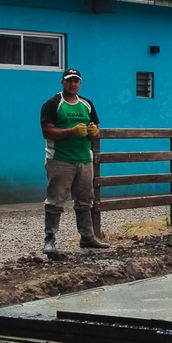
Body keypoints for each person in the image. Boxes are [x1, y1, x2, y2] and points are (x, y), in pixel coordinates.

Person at [39, 68, 107, 253]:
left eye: (76, 81)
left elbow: (96, 128)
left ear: (80, 83)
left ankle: (87, 237)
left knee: (85, 200)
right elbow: (47, 131)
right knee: (55, 200)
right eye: (69, 80)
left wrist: (94, 132)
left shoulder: (87, 104)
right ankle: (49, 240)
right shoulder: (53, 104)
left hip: (84, 159)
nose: (72, 84)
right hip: (60, 159)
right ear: (62, 82)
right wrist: (71, 132)